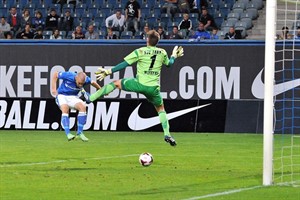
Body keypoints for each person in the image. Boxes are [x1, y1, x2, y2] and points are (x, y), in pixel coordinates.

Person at [88, 30, 184, 146]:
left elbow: (125, 64)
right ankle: (167, 134)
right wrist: (173, 56)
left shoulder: (140, 51)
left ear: (147, 40)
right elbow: (169, 64)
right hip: (153, 88)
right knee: (161, 109)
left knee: (115, 83)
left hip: (139, 84)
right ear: (157, 42)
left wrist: (109, 71)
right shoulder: (162, 52)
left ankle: (90, 98)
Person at [51, 71, 101, 141]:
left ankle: (80, 133)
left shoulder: (86, 79)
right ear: (76, 78)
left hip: (73, 97)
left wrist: (101, 90)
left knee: (83, 106)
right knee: (65, 108)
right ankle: (68, 134)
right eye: (79, 83)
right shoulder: (69, 75)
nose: (80, 85)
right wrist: (53, 89)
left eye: (82, 84)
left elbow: (93, 83)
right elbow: (55, 73)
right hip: (62, 95)